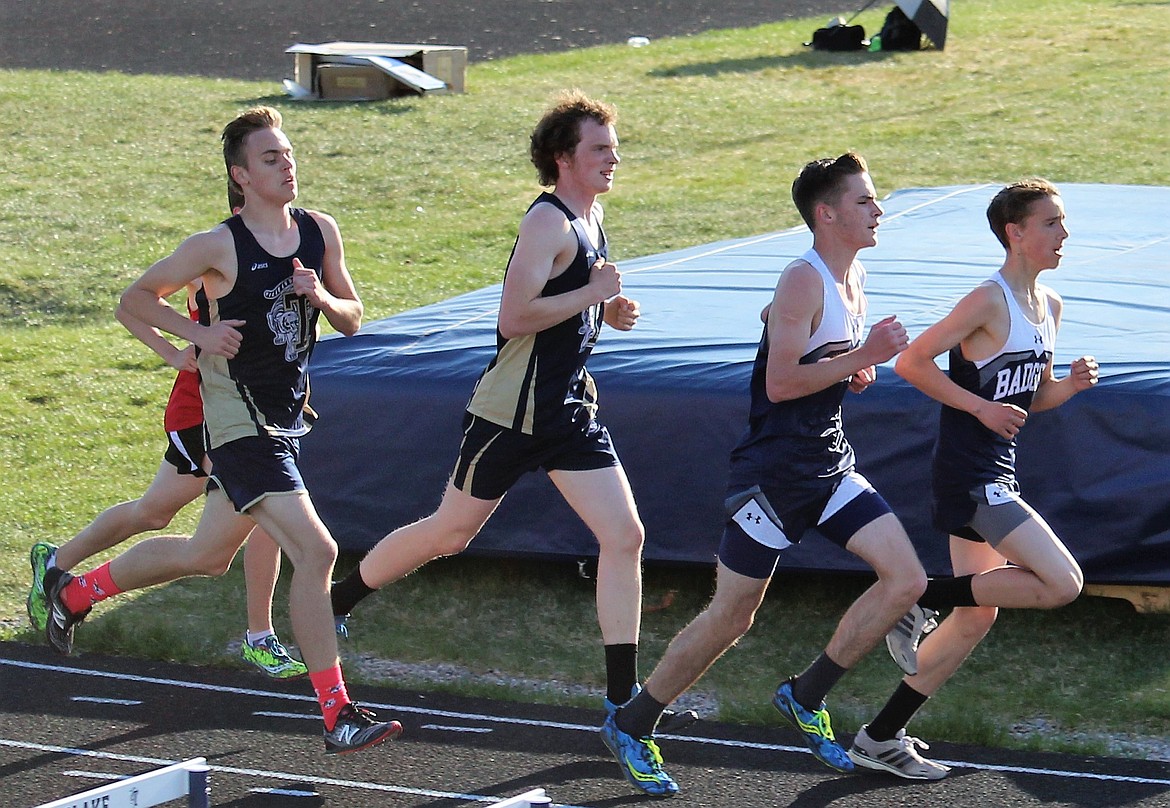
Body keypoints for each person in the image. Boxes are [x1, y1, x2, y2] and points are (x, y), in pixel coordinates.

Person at [328, 89, 693, 753]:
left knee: (625, 536)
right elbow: (514, 317)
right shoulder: (547, 223)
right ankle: (337, 601)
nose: (614, 159)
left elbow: (566, 302)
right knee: (450, 533)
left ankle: (622, 700)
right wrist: (592, 294)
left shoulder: (591, 214)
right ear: (563, 158)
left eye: (614, 147)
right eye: (600, 149)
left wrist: (604, 313)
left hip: (568, 410)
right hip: (511, 413)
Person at [41, 106, 402, 754]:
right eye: (271, 158)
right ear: (241, 175)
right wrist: (197, 335)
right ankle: (338, 714)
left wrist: (320, 297)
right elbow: (135, 300)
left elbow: (354, 316)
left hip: (287, 420)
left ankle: (76, 594)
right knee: (317, 553)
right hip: (237, 423)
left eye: (289, 154)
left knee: (206, 557)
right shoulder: (218, 246)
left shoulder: (320, 232)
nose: (287, 165)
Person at [601, 152, 929, 796]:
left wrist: (846, 363)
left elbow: (802, 347)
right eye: (865, 201)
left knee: (906, 580)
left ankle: (805, 695)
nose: (879, 210)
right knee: (733, 615)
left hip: (829, 464)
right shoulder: (803, 278)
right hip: (774, 476)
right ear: (826, 213)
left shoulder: (852, 273)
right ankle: (635, 723)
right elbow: (780, 383)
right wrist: (862, 354)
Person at [849, 179, 1098, 780]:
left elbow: (1025, 399)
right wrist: (977, 407)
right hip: (969, 475)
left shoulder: (1050, 306)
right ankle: (917, 597)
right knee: (1063, 582)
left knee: (976, 615)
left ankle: (879, 736)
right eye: (1052, 223)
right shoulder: (988, 301)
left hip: (997, 469)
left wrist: (1067, 388)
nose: (1064, 234)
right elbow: (910, 361)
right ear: (1016, 233)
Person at [26, 188, 305, 681]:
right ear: (239, 202)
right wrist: (180, 350)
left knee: (252, 515)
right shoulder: (217, 252)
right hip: (204, 407)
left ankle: (260, 637)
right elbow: (130, 305)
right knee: (168, 515)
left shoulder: (292, 245)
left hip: (254, 412)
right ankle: (59, 568)